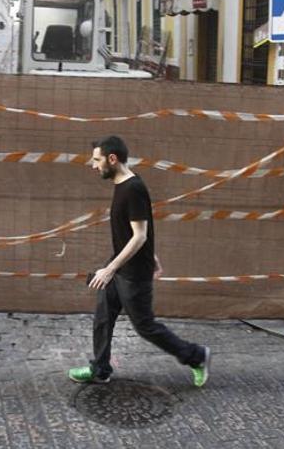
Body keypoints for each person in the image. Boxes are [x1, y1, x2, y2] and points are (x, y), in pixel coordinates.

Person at [68, 136, 211, 387]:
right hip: (121, 265)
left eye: (97, 160)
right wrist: (150, 256)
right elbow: (139, 229)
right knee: (103, 315)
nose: (93, 165)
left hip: (133, 273)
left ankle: (197, 357)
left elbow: (140, 235)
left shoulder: (133, 188)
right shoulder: (122, 185)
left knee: (145, 326)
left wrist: (110, 269)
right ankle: (100, 369)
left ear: (112, 159)